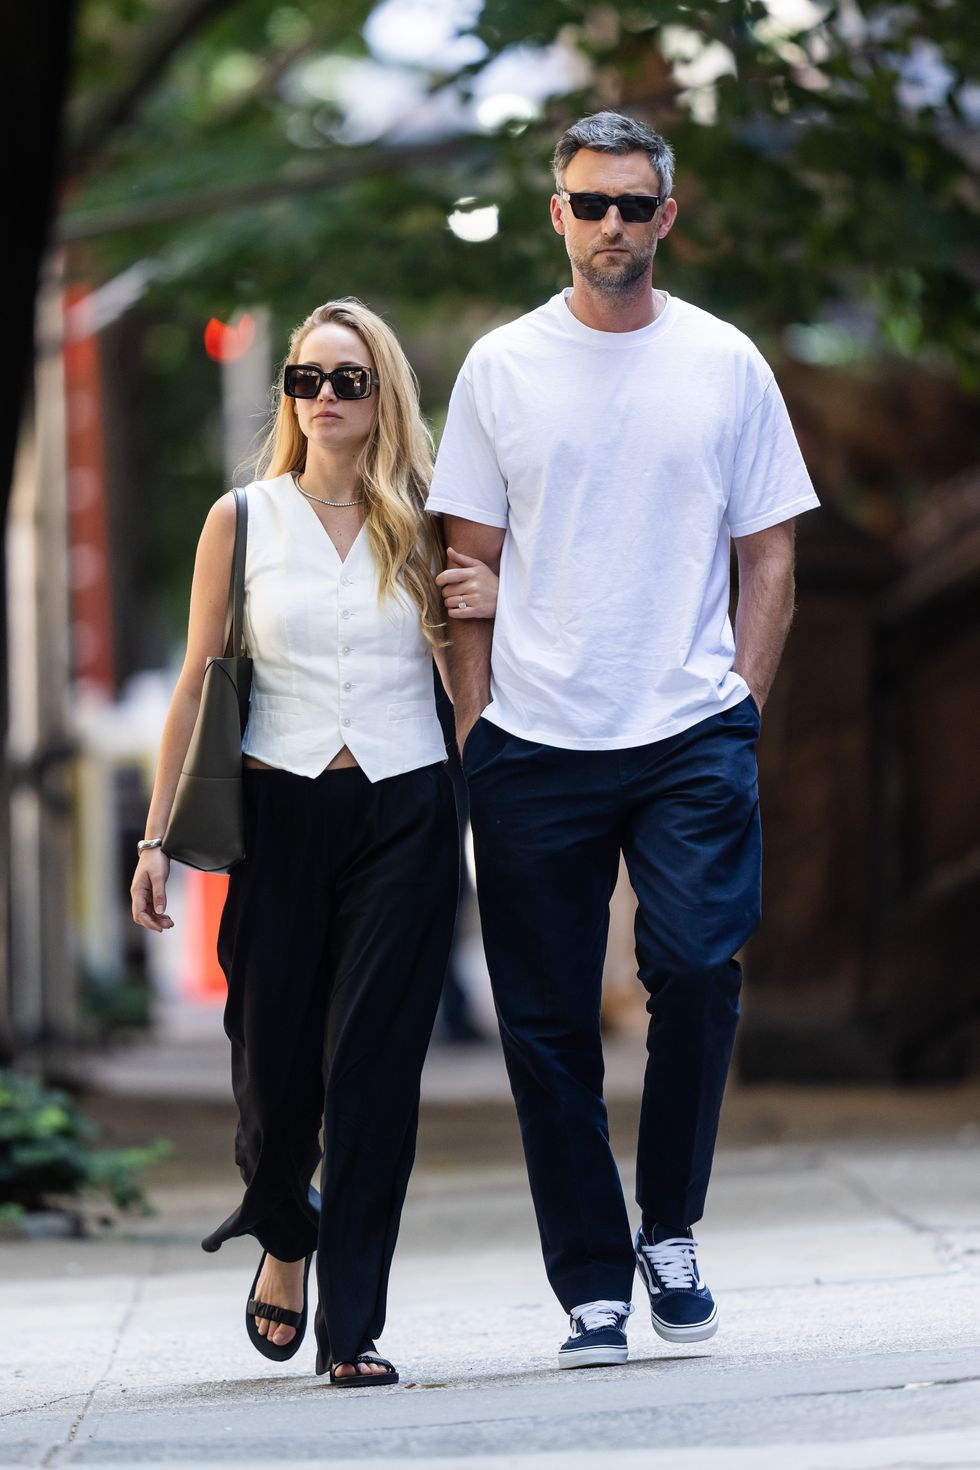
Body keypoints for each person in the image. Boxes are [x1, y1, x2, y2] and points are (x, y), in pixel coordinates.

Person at [427, 111, 820, 1369]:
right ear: (558, 215)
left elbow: (768, 551)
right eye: (589, 204)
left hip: (688, 726)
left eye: (632, 205)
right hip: (532, 740)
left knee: (698, 971)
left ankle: (670, 1226)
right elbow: (463, 564)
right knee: (543, 1025)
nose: (611, 225)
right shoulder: (498, 367)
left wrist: (742, 701)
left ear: (666, 215)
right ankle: (592, 1280)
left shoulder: (724, 362)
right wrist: (476, 722)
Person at [130, 298, 497, 1385]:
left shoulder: (429, 515)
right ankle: (284, 1225)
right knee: (272, 1063)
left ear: (383, 392)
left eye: (347, 379)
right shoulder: (240, 519)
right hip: (278, 813)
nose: (324, 398)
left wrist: (494, 596)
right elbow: (199, 684)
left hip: (405, 810)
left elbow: (474, 678)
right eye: (306, 379)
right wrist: (155, 838)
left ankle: (356, 1328)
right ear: (288, 394)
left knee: (375, 1073)